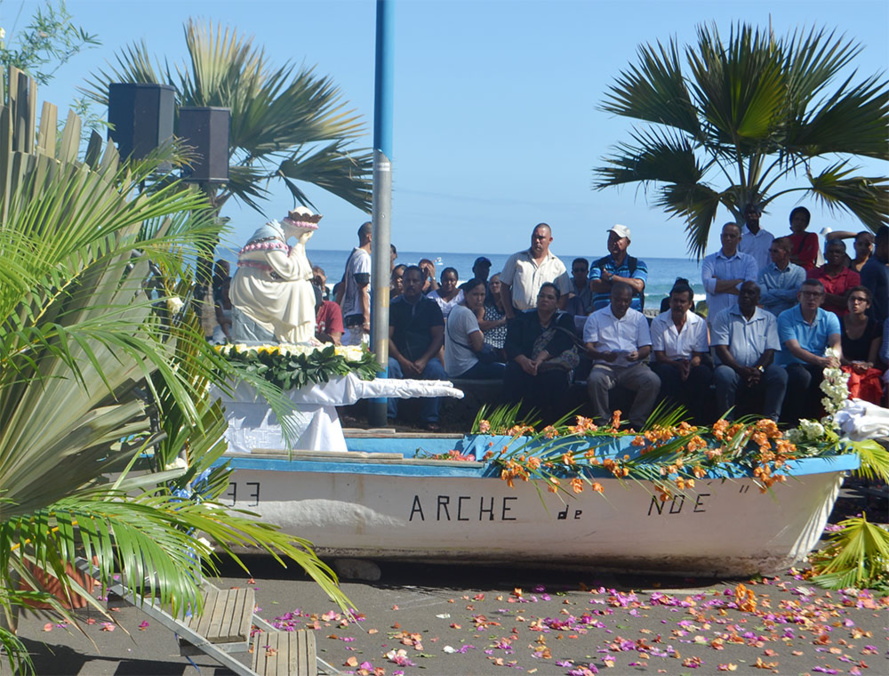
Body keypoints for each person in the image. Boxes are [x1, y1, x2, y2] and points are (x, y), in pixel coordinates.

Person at [584, 282, 660, 430]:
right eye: (618, 300)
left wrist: (637, 355)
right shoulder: (595, 317)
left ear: (631, 301)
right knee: (595, 379)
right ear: (611, 298)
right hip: (604, 365)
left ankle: (637, 422)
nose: (622, 304)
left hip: (632, 367)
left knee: (653, 380)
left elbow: (646, 347)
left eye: (626, 300)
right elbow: (588, 347)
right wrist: (602, 355)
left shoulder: (639, 318)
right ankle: (603, 422)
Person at [711, 281, 787, 421]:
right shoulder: (723, 316)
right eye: (743, 292)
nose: (745, 296)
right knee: (723, 374)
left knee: (779, 374)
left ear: (758, 298)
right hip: (733, 369)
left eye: (750, 293)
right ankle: (727, 422)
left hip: (759, 371)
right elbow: (721, 350)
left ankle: (770, 422)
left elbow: (770, 351)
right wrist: (740, 369)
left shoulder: (769, 318)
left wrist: (759, 369)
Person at [503, 283, 577, 422]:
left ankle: (551, 424)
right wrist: (524, 361)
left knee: (555, 378)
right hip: (525, 363)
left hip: (551, 364)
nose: (545, 300)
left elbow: (564, 342)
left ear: (557, 302)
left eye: (550, 297)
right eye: (542, 296)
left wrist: (540, 359)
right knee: (513, 371)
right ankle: (513, 421)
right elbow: (510, 344)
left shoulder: (564, 319)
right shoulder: (523, 317)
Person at [387, 266, 448, 430]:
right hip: (398, 358)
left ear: (422, 283)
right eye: (407, 281)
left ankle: (430, 419)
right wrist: (402, 361)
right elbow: (386, 337)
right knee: (388, 367)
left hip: (425, 359)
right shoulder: (393, 306)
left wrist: (423, 360)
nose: (411, 284)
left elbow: (438, 337)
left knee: (437, 371)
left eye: (415, 281)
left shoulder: (431, 306)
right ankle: (388, 417)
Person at [777, 279, 842, 423]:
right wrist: (822, 361)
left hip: (818, 363)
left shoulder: (830, 317)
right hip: (790, 363)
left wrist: (833, 364)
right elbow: (794, 349)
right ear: (799, 296)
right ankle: (791, 422)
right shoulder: (785, 316)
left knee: (828, 377)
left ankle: (818, 422)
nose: (811, 298)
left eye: (816, 294)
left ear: (823, 298)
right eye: (807, 294)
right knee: (802, 376)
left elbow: (836, 344)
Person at [650, 282, 712, 422]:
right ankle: (668, 420)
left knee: (703, 374)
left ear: (690, 304)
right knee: (666, 373)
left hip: (690, 363)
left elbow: (698, 355)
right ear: (670, 302)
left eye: (682, 301)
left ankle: (696, 420)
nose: (678, 305)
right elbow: (659, 356)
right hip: (667, 363)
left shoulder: (699, 322)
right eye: (675, 301)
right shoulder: (658, 322)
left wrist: (689, 366)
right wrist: (678, 366)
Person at [500, 223, 570, 319]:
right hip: (518, 316)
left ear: (550, 240)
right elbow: (504, 286)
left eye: (541, 238)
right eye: (534, 237)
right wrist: (509, 314)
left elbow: (565, 294)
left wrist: (553, 316)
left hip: (545, 319)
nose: (537, 241)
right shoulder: (516, 259)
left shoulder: (558, 265)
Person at [444, 279, 506, 380]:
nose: (479, 299)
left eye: (482, 295)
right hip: (466, 367)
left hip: (452, 367)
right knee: (508, 371)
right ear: (465, 294)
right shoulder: (466, 314)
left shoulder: (455, 309)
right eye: (475, 294)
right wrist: (480, 335)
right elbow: (478, 346)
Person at [701, 222, 758, 322]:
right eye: (725, 235)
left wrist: (718, 286)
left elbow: (749, 290)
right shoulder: (709, 260)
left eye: (732, 236)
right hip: (716, 318)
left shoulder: (749, 261)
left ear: (739, 239)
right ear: (721, 237)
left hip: (740, 318)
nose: (728, 238)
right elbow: (707, 285)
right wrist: (738, 282)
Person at [840, 286, 884, 405]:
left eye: (860, 299)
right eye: (852, 299)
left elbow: (872, 360)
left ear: (868, 304)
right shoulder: (838, 322)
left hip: (865, 368)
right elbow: (838, 353)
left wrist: (865, 365)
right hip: (843, 365)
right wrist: (851, 364)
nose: (855, 302)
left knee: (871, 380)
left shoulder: (875, 326)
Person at [589, 225, 647, 312]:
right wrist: (627, 288)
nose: (613, 242)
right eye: (611, 239)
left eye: (617, 239)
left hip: (631, 317)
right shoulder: (598, 264)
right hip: (602, 316)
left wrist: (611, 277)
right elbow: (595, 285)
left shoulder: (637, 265)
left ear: (628, 242)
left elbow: (638, 286)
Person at [336, 221, 372, 345]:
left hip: (350, 313)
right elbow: (363, 288)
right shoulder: (363, 257)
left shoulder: (353, 256)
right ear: (370, 237)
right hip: (358, 315)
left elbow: (343, 285)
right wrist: (367, 319)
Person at [807, 239, 860, 317]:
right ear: (825, 255)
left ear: (844, 256)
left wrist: (821, 295)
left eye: (838, 252)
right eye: (831, 252)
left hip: (843, 320)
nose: (834, 254)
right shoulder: (812, 274)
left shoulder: (853, 277)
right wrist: (837, 299)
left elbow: (848, 302)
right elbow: (809, 299)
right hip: (816, 318)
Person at [758, 237, 805, 316]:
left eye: (775, 251)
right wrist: (788, 298)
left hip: (792, 318)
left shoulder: (799, 272)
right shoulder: (764, 272)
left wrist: (773, 291)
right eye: (770, 250)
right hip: (770, 318)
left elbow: (798, 295)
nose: (771, 253)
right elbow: (762, 298)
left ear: (787, 252)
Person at [859, 225, 888, 325]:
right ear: (882, 243)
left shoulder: (882, 266)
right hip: (878, 327)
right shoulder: (872, 267)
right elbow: (866, 300)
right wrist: (874, 327)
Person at [739, 203, 774, 272]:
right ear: (743, 216)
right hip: (745, 277)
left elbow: (772, 260)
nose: (749, 215)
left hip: (765, 277)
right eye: (747, 213)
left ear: (759, 214)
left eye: (752, 213)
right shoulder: (739, 237)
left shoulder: (769, 237)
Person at [480, 273, 509, 353]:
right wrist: (500, 322)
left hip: (507, 342)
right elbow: (479, 324)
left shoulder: (510, 304)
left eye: (497, 283)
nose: (494, 285)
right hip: (489, 343)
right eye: (491, 284)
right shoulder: (485, 304)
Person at [786, 206, 820, 271]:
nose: (799, 222)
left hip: (806, 272)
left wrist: (790, 258)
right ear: (791, 220)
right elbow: (780, 258)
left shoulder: (811, 237)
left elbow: (809, 256)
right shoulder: (785, 239)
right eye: (796, 219)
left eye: (803, 220)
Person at [210, 259, 233, 344]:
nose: (224, 273)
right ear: (215, 271)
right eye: (221, 270)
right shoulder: (209, 286)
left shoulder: (230, 284)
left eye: (226, 270)